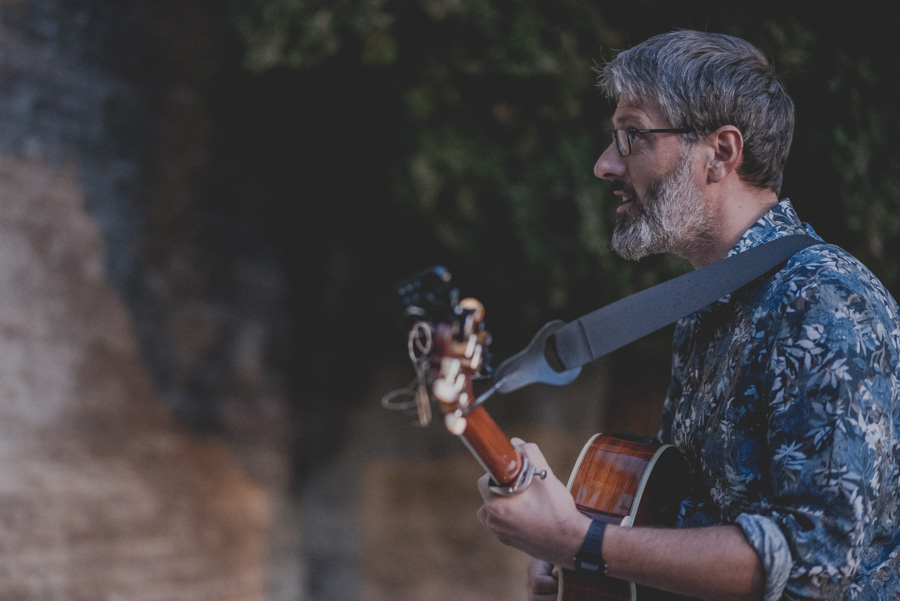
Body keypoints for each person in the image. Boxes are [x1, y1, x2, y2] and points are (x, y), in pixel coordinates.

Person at [475, 29, 900, 601]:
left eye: (632, 137)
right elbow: (679, 514)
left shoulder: (825, 301)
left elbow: (814, 564)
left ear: (721, 153)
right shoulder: (705, 308)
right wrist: (580, 567)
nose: (604, 165)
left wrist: (580, 541)